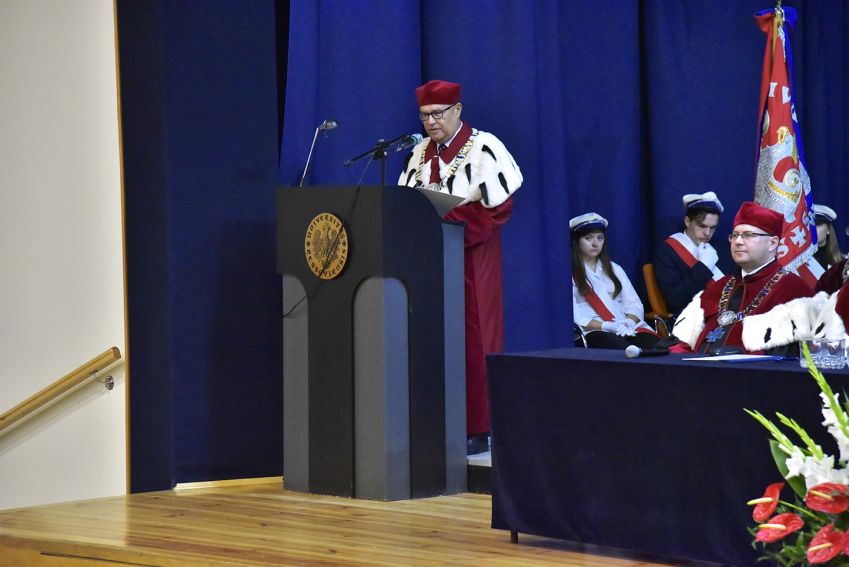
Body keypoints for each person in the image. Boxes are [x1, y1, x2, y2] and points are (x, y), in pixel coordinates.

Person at [398, 79, 522, 455]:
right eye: (424, 116)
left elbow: (498, 209)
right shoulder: (417, 153)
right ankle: (435, 423)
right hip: (428, 257)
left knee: (474, 337)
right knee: (430, 335)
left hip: (472, 256)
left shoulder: (485, 146)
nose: (431, 122)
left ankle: (477, 428)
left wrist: (447, 224)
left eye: (438, 114)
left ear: (457, 110)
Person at [671, 201, 813, 355]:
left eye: (748, 235)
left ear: (772, 243)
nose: (738, 241)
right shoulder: (720, 286)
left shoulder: (794, 290)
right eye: (735, 235)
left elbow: (791, 355)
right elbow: (683, 341)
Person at [571, 212, 662, 350]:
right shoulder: (569, 273)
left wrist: (629, 322)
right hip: (594, 331)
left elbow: (633, 302)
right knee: (623, 352)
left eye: (600, 238)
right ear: (577, 241)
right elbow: (575, 314)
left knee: (658, 347)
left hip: (625, 327)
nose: (595, 243)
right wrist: (607, 326)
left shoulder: (614, 269)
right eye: (588, 238)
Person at [654, 192, 724, 315]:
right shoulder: (667, 251)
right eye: (702, 226)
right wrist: (704, 266)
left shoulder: (723, 248)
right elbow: (673, 299)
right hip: (693, 318)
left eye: (713, 227)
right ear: (687, 221)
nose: (707, 233)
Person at [812, 204, 845, 271]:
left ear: (828, 230)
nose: (813, 229)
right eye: (810, 225)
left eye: (818, 224)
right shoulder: (797, 260)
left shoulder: (842, 262)